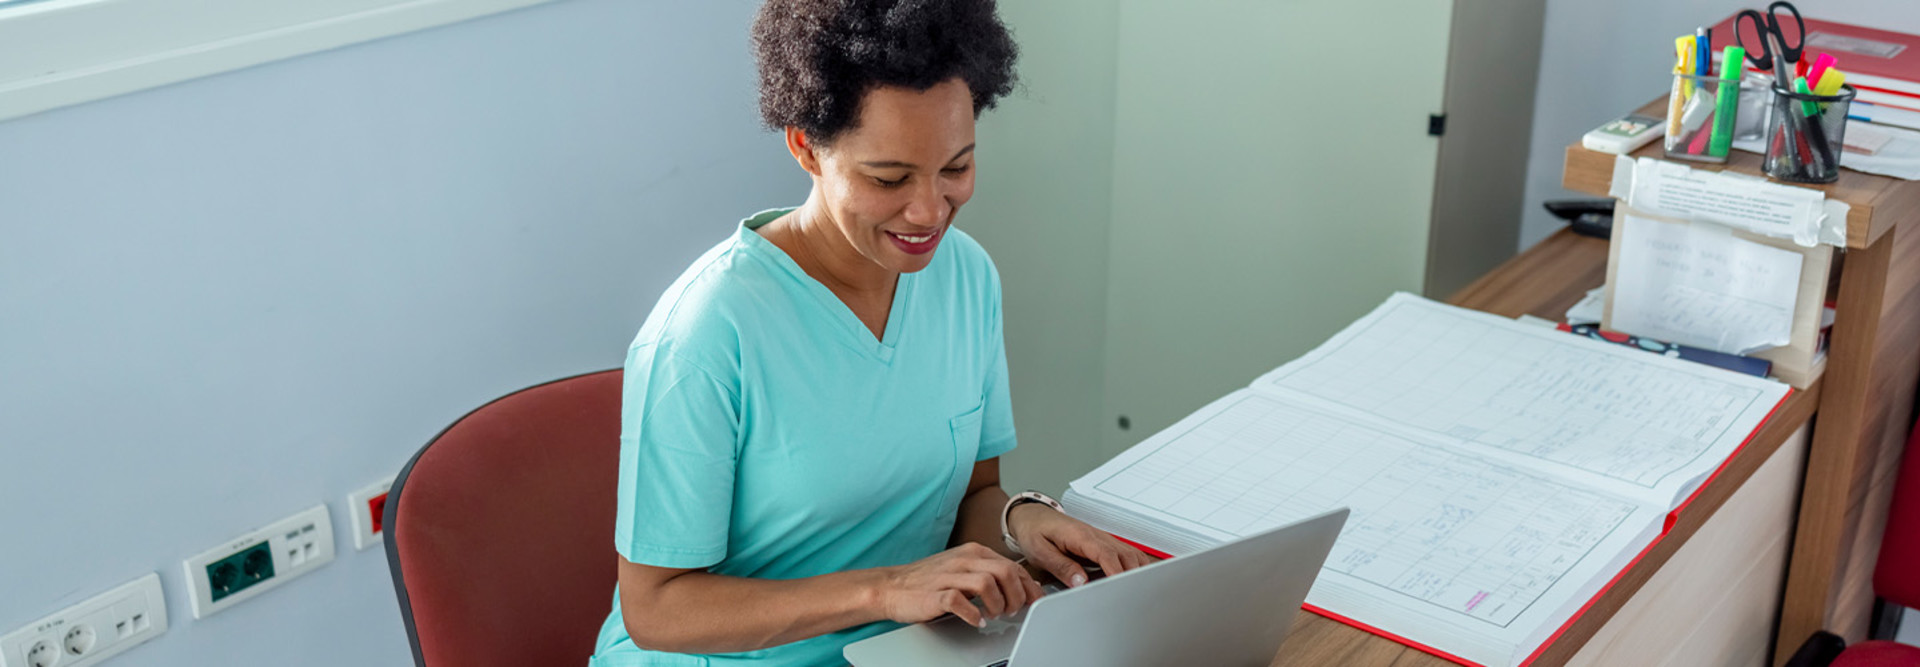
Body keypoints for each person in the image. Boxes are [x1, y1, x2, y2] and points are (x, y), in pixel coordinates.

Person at [588, 1, 1153, 665]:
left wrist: (1021, 520)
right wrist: (885, 590)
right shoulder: (706, 332)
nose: (928, 211)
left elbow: (970, 495)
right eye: (888, 178)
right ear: (805, 145)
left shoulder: (965, 278)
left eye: (956, 168)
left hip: (909, 649)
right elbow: (656, 608)